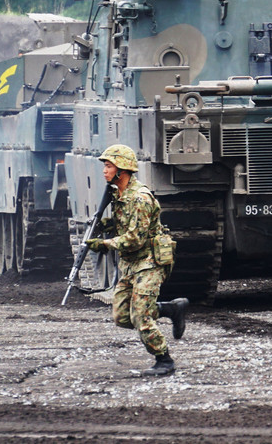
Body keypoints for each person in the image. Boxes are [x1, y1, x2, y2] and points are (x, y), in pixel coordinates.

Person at [85, 144, 189, 376]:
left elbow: (134, 239)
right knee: (122, 316)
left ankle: (164, 359)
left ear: (122, 170)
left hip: (149, 261)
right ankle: (171, 309)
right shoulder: (117, 194)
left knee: (140, 315)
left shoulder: (140, 198)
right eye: (105, 166)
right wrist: (107, 225)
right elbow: (126, 226)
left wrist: (104, 244)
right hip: (131, 263)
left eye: (109, 166)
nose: (104, 171)